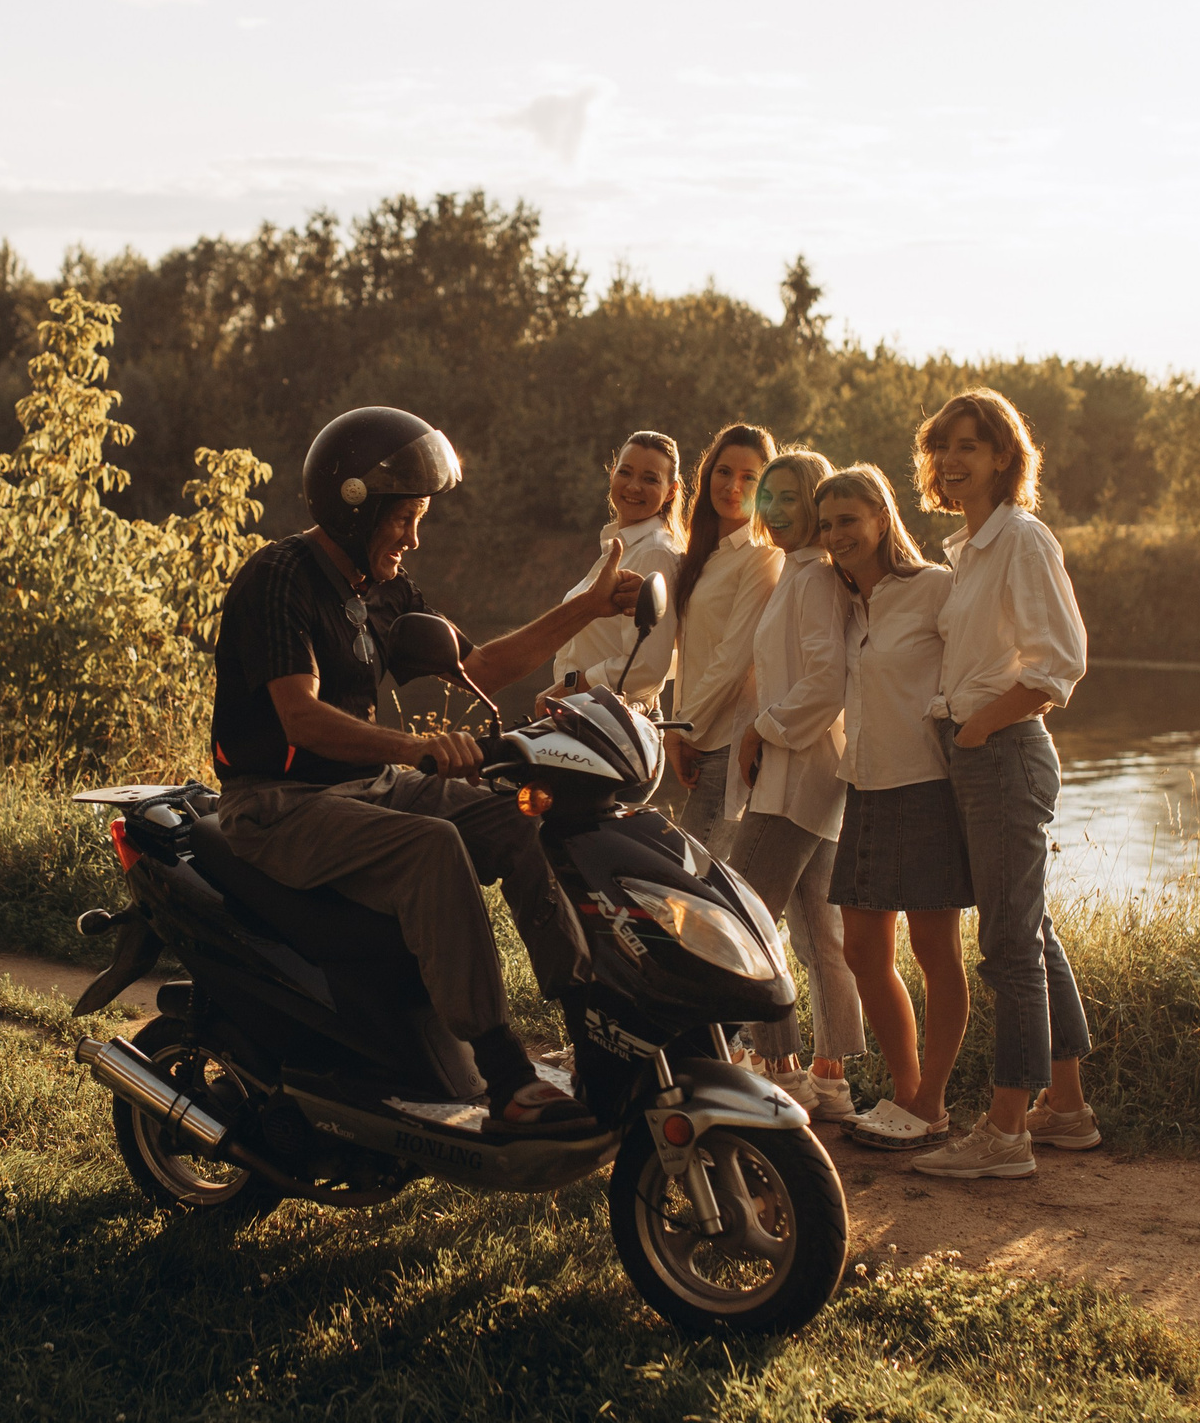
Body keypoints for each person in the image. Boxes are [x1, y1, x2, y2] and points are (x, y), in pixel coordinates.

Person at [208, 406, 646, 1136]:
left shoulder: (377, 588)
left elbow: (475, 665)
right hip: (277, 805)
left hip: (362, 791)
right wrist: (413, 748)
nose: (414, 537)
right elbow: (301, 719)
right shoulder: (279, 579)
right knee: (433, 847)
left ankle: (590, 1025)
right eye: (404, 518)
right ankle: (504, 1073)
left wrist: (588, 608)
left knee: (519, 817)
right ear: (355, 510)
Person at [905, 389, 1098, 1181]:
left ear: (1004, 458)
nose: (953, 460)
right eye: (944, 446)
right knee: (1032, 929)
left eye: (971, 446)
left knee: (1009, 946)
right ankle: (1069, 1111)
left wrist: (981, 726)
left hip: (1004, 753)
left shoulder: (1020, 538)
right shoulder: (967, 548)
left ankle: (1006, 1131)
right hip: (975, 753)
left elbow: (1060, 662)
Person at [814, 463, 975, 1153]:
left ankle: (930, 1103)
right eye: (826, 526)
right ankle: (905, 1091)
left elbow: (984, 662)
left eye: (848, 519)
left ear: (881, 516)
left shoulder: (936, 589)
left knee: (935, 950)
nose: (836, 535)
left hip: (925, 789)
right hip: (865, 788)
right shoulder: (849, 604)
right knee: (859, 949)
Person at [729, 449, 866, 1121]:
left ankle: (779, 1065)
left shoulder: (813, 580)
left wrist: (762, 730)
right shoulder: (804, 575)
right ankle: (831, 1078)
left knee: (742, 915)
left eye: (789, 497)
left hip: (797, 775)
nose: (774, 511)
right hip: (815, 779)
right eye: (767, 497)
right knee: (817, 927)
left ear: (815, 503)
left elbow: (826, 682)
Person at [669, 423, 782, 864]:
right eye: (724, 472)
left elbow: (734, 659)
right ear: (707, 474)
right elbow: (693, 653)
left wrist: (683, 731)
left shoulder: (761, 556)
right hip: (703, 740)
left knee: (693, 885)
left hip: (728, 745)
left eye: (750, 478)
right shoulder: (704, 556)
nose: (733, 487)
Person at [538, 431, 687, 715]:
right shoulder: (622, 546)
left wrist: (572, 686)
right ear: (612, 476)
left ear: (671, 491)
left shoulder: (654, 552)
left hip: (613, 722)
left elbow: (648, 665)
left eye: (650, 479)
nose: (633, 486)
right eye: (626, 473)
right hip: (588, 716)